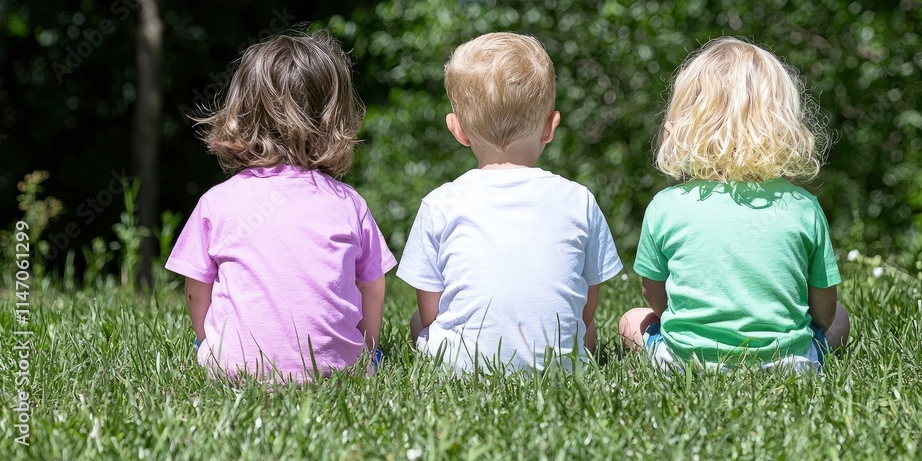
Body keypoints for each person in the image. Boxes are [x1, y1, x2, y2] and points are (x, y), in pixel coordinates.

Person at [166, 31, 396, 383]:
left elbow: (196, 288)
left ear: (241, 111)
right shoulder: (348, 203)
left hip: (233, 371)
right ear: (335, 118)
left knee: (210, 349)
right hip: (340, 372)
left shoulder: (218, 201)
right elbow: (373, 286)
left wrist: (206, 343)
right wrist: (369, 349)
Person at [618, 37, 850, 374]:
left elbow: (654, 296)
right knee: (841, 317)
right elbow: (824, 314)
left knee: (631, 321)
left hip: (684, 364)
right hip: (789, 365)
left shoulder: (665, 206)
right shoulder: (803, 207)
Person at [396, 32, 623, 373]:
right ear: (550, 126)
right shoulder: (579, 199)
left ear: (457, 129)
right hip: (561, 366)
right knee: (586, 330)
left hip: (461, 367)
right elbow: (586, 308)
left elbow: (431, 313)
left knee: (417, 321)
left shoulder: (440, 203)